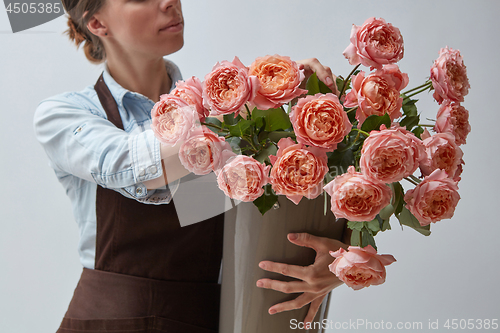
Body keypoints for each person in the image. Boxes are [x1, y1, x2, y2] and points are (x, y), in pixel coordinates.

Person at [33, 0, 348, 332]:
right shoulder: (65, 115)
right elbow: (137, 165)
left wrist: (339, 260)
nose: (169, 1)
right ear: (97, 23)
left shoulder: (235, 118)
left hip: (209, 321)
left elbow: (285, 212)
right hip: (109, 323)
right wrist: (250, 101)